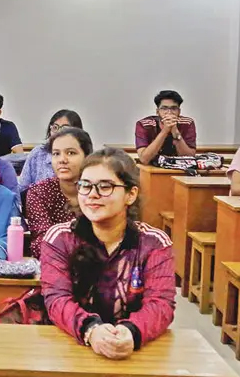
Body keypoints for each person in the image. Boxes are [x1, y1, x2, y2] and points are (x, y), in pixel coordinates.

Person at [40, 148, 175, 359]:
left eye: (105, 186)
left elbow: (161, 304)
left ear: (131, 194)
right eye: (85, 186)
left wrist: (131, 332)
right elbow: (56, 299)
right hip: (70, 344)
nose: (92, 194)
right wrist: (91, 330)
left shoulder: (154, 242)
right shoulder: (60, 238)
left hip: (132, 347)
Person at [25, 127, 93, 258]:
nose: (62, 160)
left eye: (71, 153)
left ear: (87, 157)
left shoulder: (97, 190)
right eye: (56, 153)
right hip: (54, 264)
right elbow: (41, 242)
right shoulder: (39, 192)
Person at [19, 109, 83, 193]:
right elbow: (22, 188)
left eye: (65, 128)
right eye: (55, 127)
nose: (58, 132)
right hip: (37, 203)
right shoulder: (38, 153)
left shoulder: (82, 155)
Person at [135, 90, 197, 166]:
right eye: (164, 108)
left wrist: (175, 132)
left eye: (173, 108)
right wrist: (165, 131)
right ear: (157, 112)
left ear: (179, 111)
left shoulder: (187, 123)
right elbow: (144, 159)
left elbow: (189, 158)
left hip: (180, 169)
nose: (169, 112)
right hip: (152, 168)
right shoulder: (144, 124)